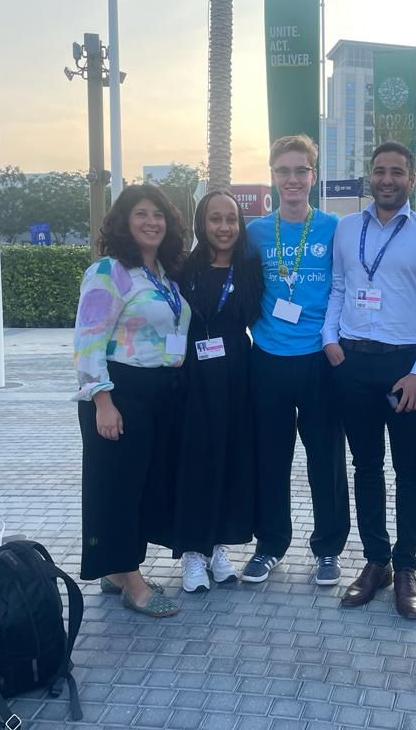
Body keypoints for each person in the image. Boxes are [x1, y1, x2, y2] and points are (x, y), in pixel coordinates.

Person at [323, 141, 416, 619]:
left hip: (405, 370)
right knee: (366, 467)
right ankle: (375, 562)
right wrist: (329, 339)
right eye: (380, 171)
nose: (387, 179)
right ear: (369, 176)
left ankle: (406, 566)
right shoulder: (346, 229)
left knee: (409, 470)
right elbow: (339, 287)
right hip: (352, 362)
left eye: (397, 172)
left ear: (411, 179)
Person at [74, 184, 191, 618]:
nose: (151, 222)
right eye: (141, 214)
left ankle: (118, 570)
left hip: (158, 392)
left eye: (158, 215)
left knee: (139, 487)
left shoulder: (162, 273)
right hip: (118, 392)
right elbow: (88, 342)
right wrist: (102, 401)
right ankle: (133, 584)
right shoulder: (109, 272)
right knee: (117, 489)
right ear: (124, 221)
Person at [242, 134, 350, 586]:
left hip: (320, 360)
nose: (292, 178)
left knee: (325, 458)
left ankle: (328, 549)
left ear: (313, 175)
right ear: (273, 176)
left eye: (300, 170)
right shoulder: (255, 233)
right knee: (270, 457)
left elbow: (345, 287)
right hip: (267, 358)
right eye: (283, 170)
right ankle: (270, 545)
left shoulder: (333, 228)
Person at [173, 191, 264, 592]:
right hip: (193, 377)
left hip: (236, 376)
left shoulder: (249, 268)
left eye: (231, 219)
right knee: (195, 461)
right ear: (201, 223)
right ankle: (192, 551)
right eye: (215, 219)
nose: (224, 227)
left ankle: (218, 547)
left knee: (230, 459)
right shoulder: (182, 269)